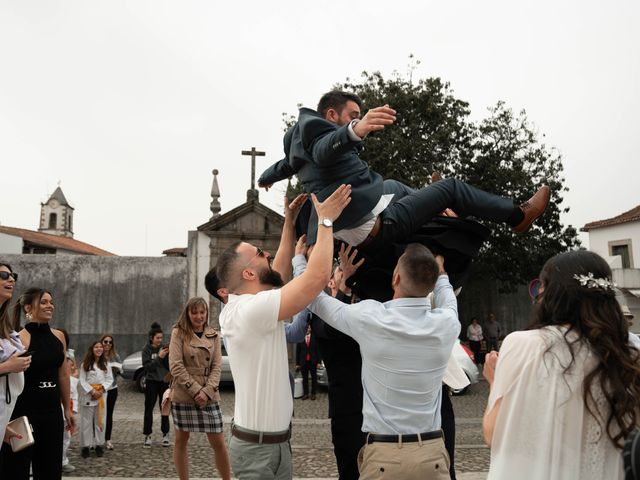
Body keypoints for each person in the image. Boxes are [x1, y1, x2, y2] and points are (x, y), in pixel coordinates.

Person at [258, 90, 550, 247]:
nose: (357, 121)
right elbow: (324, 152)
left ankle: (435, 200)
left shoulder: (300, 141)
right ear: (332, 115)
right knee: (451, 187)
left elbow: (287, 164)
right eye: (352, 116)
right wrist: (354, 130)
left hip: (360, 211)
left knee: (394, 186)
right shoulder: (323, 137)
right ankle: (517, 216)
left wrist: (265, 178)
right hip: (374, 226)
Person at [216, 186, 350, 479]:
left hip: (275, 445)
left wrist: (288, 222)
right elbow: (314, 279)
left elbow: (279, 271)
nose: (268, 255)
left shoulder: (245, 305)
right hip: (256, 453)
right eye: (260, 254)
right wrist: (326, 221)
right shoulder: (250, 311)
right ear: (249, 274)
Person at [301, 243, 459, 478]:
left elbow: (313, 299)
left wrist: (303, 262)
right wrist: (442, 271)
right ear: (432, 284)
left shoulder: (371, 317)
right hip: (432, 454)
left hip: (386, 456)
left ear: (396, 277)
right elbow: (448, 300)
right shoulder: (447, 323)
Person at [482, 250, 640, 480]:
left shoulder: (525, 345)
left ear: (550, 292)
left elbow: (494, 433)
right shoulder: (629, 353)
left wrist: (496, 383)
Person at [0, 287, 75, 480]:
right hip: (25, 413)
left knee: (50, 470)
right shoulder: (20, 339)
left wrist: (66, 408)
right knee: (17, 469)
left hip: (52, 413)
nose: (50, 306)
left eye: (51, 302)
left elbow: (63, 375)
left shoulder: (59, 337)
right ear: (28, 308)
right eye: (43, 302)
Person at [168, 297, 231, 480]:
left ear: (207, 313)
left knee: (218, 442)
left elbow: (217, 367)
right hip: (184, 393)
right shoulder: (178, 333)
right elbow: (176, 365)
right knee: (181, 440)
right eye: (194, 312)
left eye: (202, 312)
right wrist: (196, 390)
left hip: (209, 394)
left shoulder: (213, 335)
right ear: (188, 313)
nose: (199, 316)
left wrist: (207, 391)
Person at [0, 263, 30, 449]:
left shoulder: (4, 325)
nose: (11, 279)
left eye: (13, 275)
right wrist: (7, 367)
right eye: (4, 275)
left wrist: (2, 426)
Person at [78, 340, 113, 458]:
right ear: (92, 349)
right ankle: (86, 446)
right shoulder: (85, 364)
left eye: (100, 347)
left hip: (101, 395)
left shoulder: (106, 364)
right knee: (86, 422)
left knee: (100, 421)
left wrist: (101, 390)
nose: (99, 349)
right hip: (89, 394)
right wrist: (92, 391)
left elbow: (109, 379)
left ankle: (99, 445)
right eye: (96, 347)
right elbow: (82, 380)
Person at [142, 321, 170, 448]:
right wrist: (159, 357)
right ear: (151, 338)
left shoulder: (164, 348)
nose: (160, 340)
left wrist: (167, 356)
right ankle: (147, 435)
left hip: (164, 382)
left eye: (161, 337)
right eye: (157, 338)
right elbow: (148, 368)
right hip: (151, 381)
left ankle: (165, 434)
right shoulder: (146, 350)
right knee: (149, 409)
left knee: (165, 408)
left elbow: (168, 367)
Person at [100, 334, 121, 450]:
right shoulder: (97, 354)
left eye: (110, 342)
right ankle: (96, 439)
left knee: (108, 414)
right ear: (101, 342)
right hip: (99, 389)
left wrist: (116, 369)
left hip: (112, 388)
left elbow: (120, 370)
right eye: (105, 341)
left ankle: (107, 439)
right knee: (97, 415)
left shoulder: (115, 356)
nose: (108, 344)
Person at [295, 325, 320, 400]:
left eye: (309, 328)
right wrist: (297, 363)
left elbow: (318, 351)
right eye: (307, 328)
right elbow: (298, 351)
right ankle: (306, 394)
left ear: (311, 329)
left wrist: (319, 362)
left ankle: (313, 394)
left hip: (313, 361)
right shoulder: (300, 338)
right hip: (303, 362)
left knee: (314, 378)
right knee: (305, 378)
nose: (308, 329)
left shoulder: (315, 337)